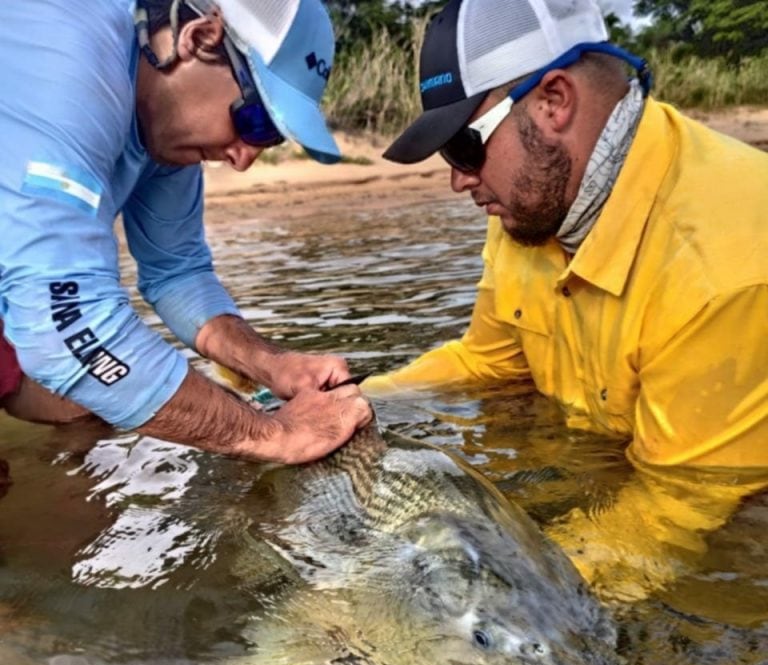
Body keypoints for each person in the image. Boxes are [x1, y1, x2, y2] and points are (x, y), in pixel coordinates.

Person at [364, 0, 768, 598]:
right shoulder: (532, 206)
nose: (458, 179)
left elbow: (680, 505)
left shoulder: (725, 269)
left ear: (553, 102)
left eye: (464, 148)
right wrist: (354, 404)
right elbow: (485, 363)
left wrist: (472, 596)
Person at [0, 0, 372, 465]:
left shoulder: (163, 124)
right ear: (197, 39)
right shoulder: (69, 69)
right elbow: (66, 331)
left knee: (87, 414)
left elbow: (177, 272)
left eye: (271, 137)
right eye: (253, 120)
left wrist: (271, 364)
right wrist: (274, 434)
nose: (244, 158)